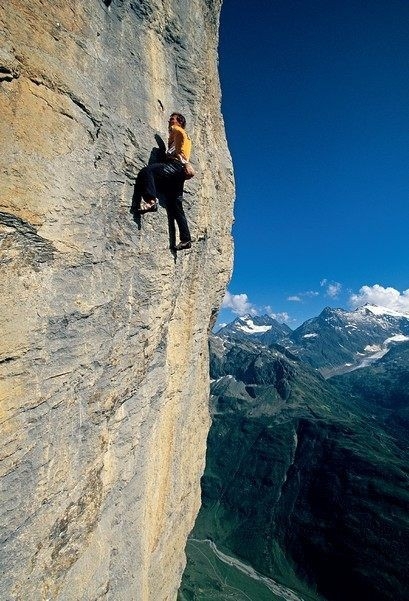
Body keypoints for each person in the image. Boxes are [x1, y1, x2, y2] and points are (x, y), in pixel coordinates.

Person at [132, 113, 193, 251]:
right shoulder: (182, 137)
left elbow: (175, 131)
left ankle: (151, 201)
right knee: (176, 206)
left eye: (172, 119)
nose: (169, 121)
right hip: (178, 173)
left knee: (148, 171)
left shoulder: (179, 131)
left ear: (180, 122)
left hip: (175, 166)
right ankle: (186, 239)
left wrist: (171, 134)